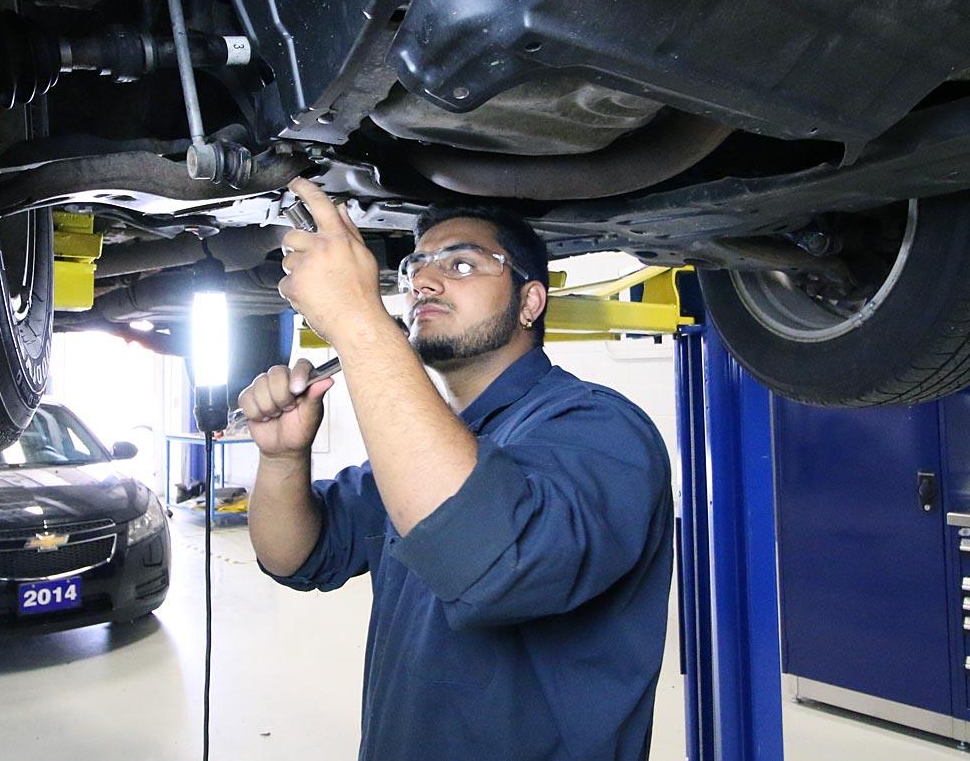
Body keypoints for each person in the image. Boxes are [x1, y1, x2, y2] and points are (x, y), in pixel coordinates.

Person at [239, 178, 674, 761]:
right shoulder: (430, 450)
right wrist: (282, 458)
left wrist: (356, 317)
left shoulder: (601, 428)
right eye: (414, 267)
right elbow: (295, 556)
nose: (422, 281)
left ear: (529, 303)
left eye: (463, 265)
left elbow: (490, 559)